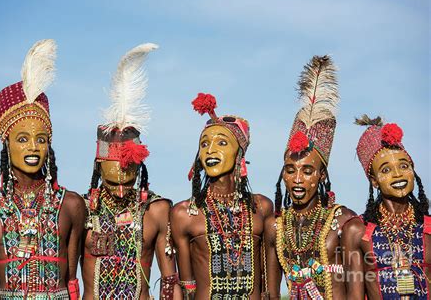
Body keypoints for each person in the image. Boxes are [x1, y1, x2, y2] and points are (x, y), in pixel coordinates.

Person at [0, 39, 85, 299]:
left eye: (41, 140)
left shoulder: (71, 205)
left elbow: (72, 281)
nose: (33, 148)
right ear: (7, 144)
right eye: (23, 139)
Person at [81, 43, 182, 300]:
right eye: (113, 182)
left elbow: (170, 280)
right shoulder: (80, 209)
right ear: (98, 168)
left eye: (128, 179)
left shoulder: (156, 210)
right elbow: (67, 277)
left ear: (139, 169)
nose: (122, 188)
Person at [264, 55, 364, 299]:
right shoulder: (275, 226)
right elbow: (271, 292)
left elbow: (357, 289)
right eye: (290, 170)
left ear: (321, 176)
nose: (298, 179)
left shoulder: (345, 221)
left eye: (307, 171)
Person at [171, 92, 273, 299]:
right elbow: (186, 286)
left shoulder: (261, 207)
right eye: (204, 144)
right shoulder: (184, 212)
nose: (210, 150)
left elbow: (267, 282)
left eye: (222, 143)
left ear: (239, 153)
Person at [356, 115, 430, 299]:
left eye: (404, 166)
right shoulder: (358, 230)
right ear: (374, 181)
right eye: (386, 170)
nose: (398, 175)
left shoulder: (428, 228)